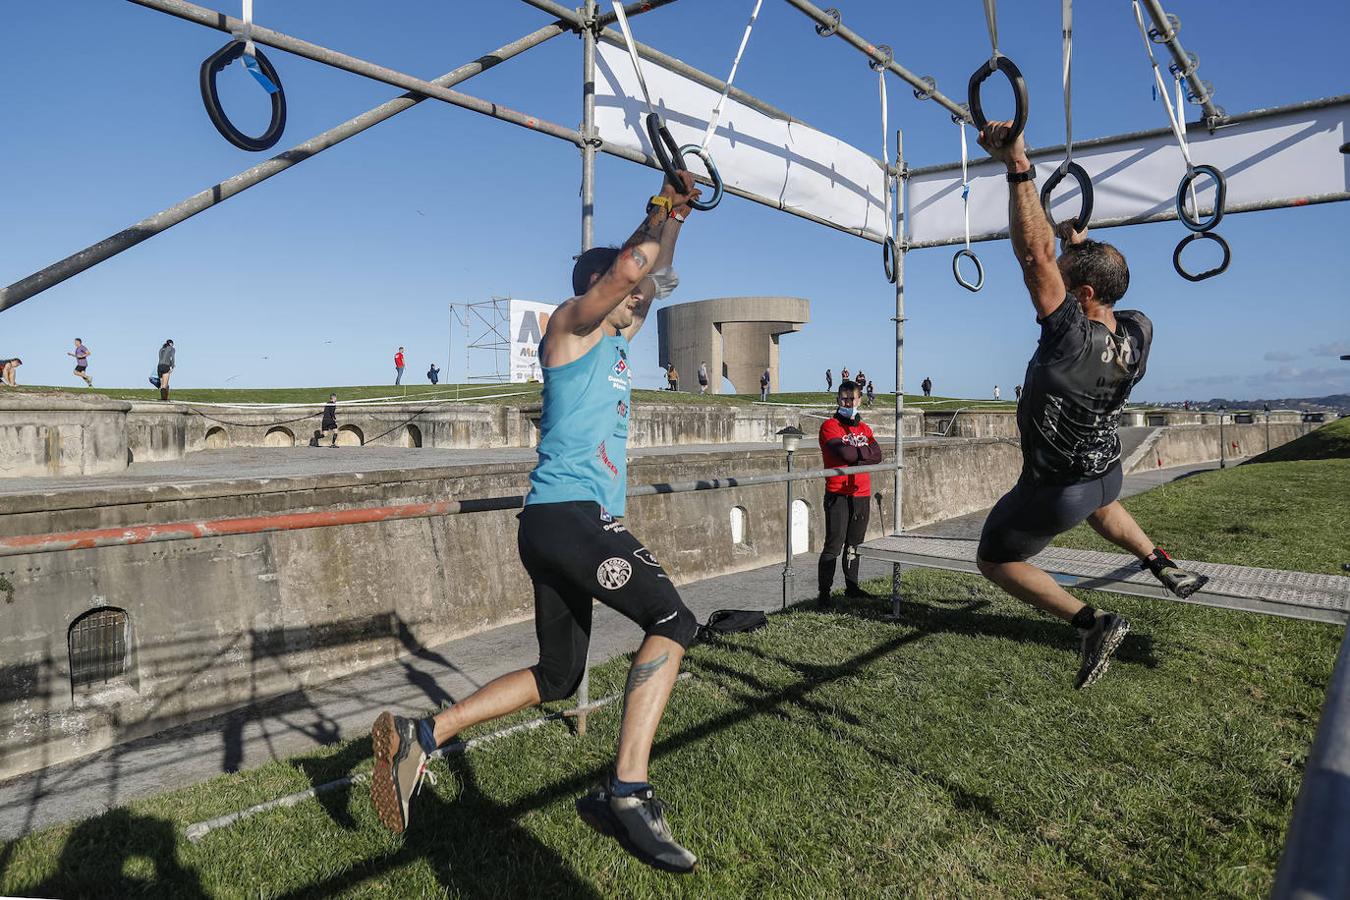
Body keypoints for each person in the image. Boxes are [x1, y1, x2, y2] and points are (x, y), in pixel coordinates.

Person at [370, 171, 703, 873]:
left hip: (561, 526)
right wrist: (658, 208)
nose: (642, 298)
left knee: (558, 676)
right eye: (630, 290)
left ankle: (423, 733)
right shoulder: (571, 327)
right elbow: (632, 269)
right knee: (673, 623)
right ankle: (627, 791)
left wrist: (677, 211)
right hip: (568, 516)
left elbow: (655, 268)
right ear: (600, 287)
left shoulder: (615, 344)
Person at [973, 118, 1209, 690]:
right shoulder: (1138, 331)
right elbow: (1097, 284)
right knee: (1100, 506)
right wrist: (1084, 251)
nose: (1057, 260)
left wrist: (1017, 167)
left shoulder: (1069, 338)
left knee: (995, 559)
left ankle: (1091, 621)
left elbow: (1034, 260)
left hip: (1057, 488)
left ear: (1079, 295)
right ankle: (1161, 564)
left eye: (1068, 269)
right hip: (1106, 473)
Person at [817, 380, 882, 606]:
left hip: (861, 492)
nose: (847, 402)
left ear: (859, 400)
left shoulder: (864, 428)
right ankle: (824, 595)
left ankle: (852, 588)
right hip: (838, 493)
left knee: (854, 544)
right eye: (843, 399)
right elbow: (844, 453)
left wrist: (858, 453)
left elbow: (878, 455)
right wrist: (863, 452)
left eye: (851, 399)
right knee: (834, 545)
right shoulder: (829, 426)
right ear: (838, 400)